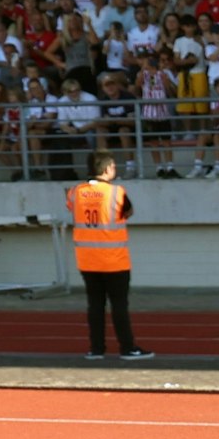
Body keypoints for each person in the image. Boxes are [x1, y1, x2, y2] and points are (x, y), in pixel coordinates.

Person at [68, 152, 151, 362]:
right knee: (119, 306)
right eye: (113, 166)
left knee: (95, 305)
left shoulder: (75, 192)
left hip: (87, 260)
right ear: (107, 169)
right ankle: (127, 347)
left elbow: (72, 208)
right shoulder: (116, 192)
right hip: (115, 260)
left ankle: (96, 349)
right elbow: (128, 212)